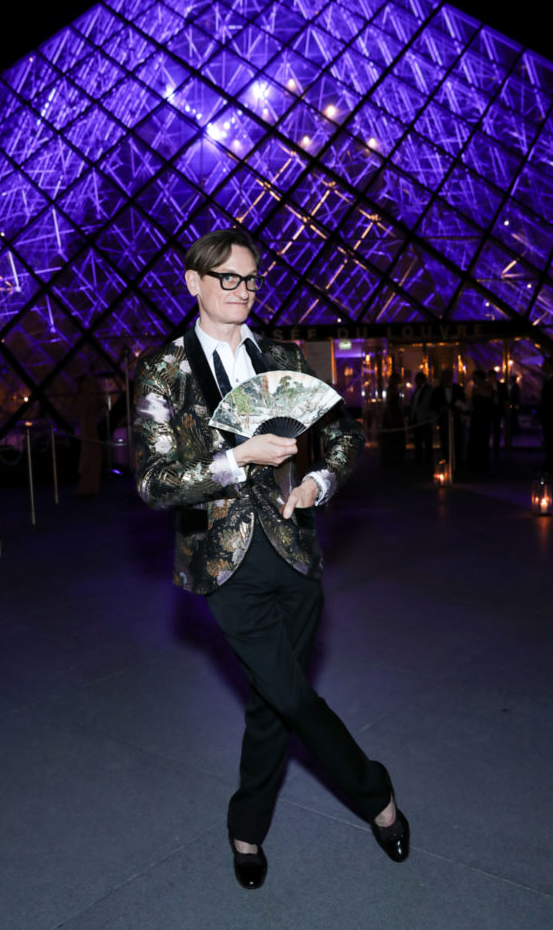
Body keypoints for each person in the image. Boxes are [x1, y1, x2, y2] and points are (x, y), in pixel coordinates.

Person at [133, 228, 409, 890]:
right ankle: (378, 797)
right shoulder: (162, 370)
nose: (242, 289)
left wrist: (321, 483)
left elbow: (343, 430)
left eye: (251, 278)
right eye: (226, 277)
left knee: (270, 704)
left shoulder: (282, 356)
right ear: (193, 282)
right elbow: (151, 482)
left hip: (294, 551)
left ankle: (245, 828)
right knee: (291, 693)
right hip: (223, 563)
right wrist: (236, 459)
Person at [429, 367, 467, 472]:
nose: (447, 377)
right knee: (445, 440)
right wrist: (441, 408)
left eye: (449, 375)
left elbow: (463, 402)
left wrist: (455, 409)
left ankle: (458, 462)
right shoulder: (437, 390)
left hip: (456, 420)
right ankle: (447, 461)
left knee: (458, 440)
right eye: (445, 375)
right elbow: (432, 404)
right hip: (444, 420)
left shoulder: (458, 388)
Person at [466, 369, 493, 473]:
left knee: (481, 441)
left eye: (474, 377)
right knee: (476, 441)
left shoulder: (486, 387)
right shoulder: (476, 388)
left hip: (482, 418)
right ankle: (476, 465)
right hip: (477, 418)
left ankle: (480, 465)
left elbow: (487, 403)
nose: (473, 379)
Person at [409, 370, 435, 464]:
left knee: (427, 440)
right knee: (417, 439)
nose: (416, 381)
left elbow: (431, 404)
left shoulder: (429, 390)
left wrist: (430, 417)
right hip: (417, 418)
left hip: (425, 419)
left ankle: (428, 458)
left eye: (417, 379)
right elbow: (414, 404)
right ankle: (419, 457)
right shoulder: (416, 390)